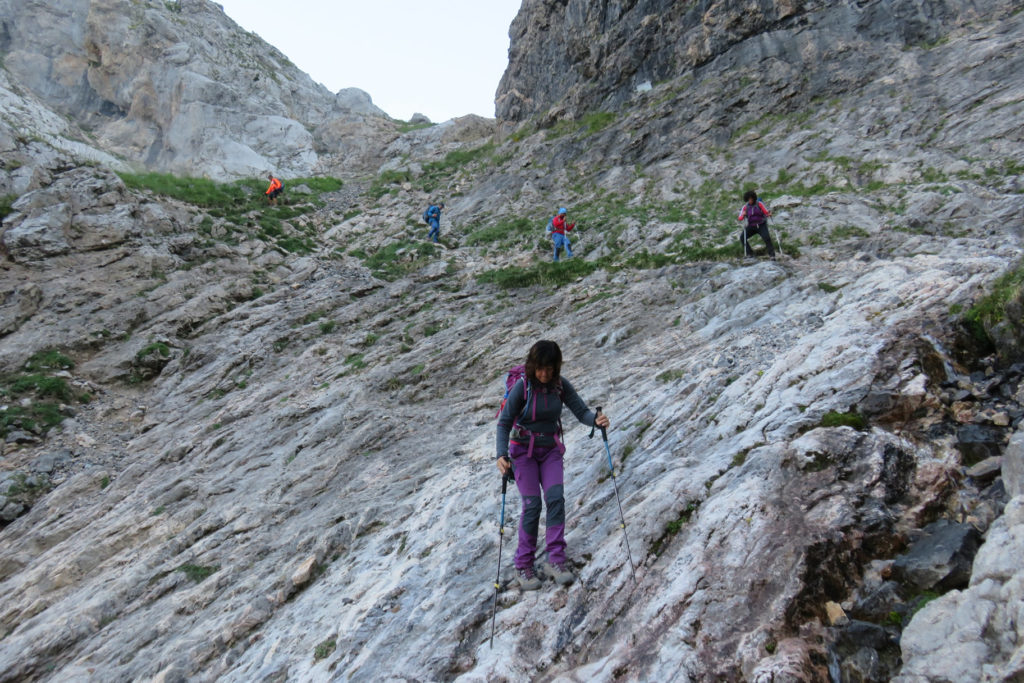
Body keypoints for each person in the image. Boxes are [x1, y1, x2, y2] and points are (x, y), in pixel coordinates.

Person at [496, 340, 610, 589]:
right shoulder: (522, 387)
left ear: (556, 367)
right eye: (540, 368)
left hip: (550, 451)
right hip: (522, 453)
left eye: (549, 368)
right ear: (532, 366)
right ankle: (523, 565)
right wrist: (500, 455)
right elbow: (504, 423)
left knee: (556, 499)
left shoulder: (560, 385)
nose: (544, 374)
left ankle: (555, 559)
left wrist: (597, 420)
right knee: (532, 505)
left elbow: (581, 412)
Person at [737, 190, 775, 259]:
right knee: (742, 238)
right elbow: (740, 218)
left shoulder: (759, 204)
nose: (750, 201)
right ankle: (749, 253)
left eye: (751, 199)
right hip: (751, 226)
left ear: (754, 198)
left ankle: (772, 255)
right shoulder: (745, 207)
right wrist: (743, 215)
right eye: (748, 199)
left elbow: (766, 212)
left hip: (761, 225)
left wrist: (769, 214)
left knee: (767, 238)